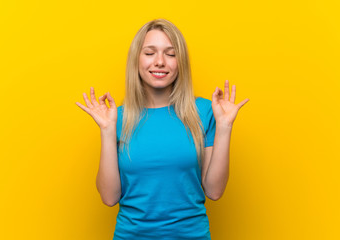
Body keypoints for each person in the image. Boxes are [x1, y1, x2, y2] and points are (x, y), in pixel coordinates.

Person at [75, 18, 249, 240]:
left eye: (171, 53)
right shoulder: (116, 117)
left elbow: (214, 191)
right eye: (149, 53)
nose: (160, 62)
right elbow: (109, 197)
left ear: (181, 62)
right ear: (136, 60)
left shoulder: (205, 112)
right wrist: (107, 131)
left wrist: (224, 127)